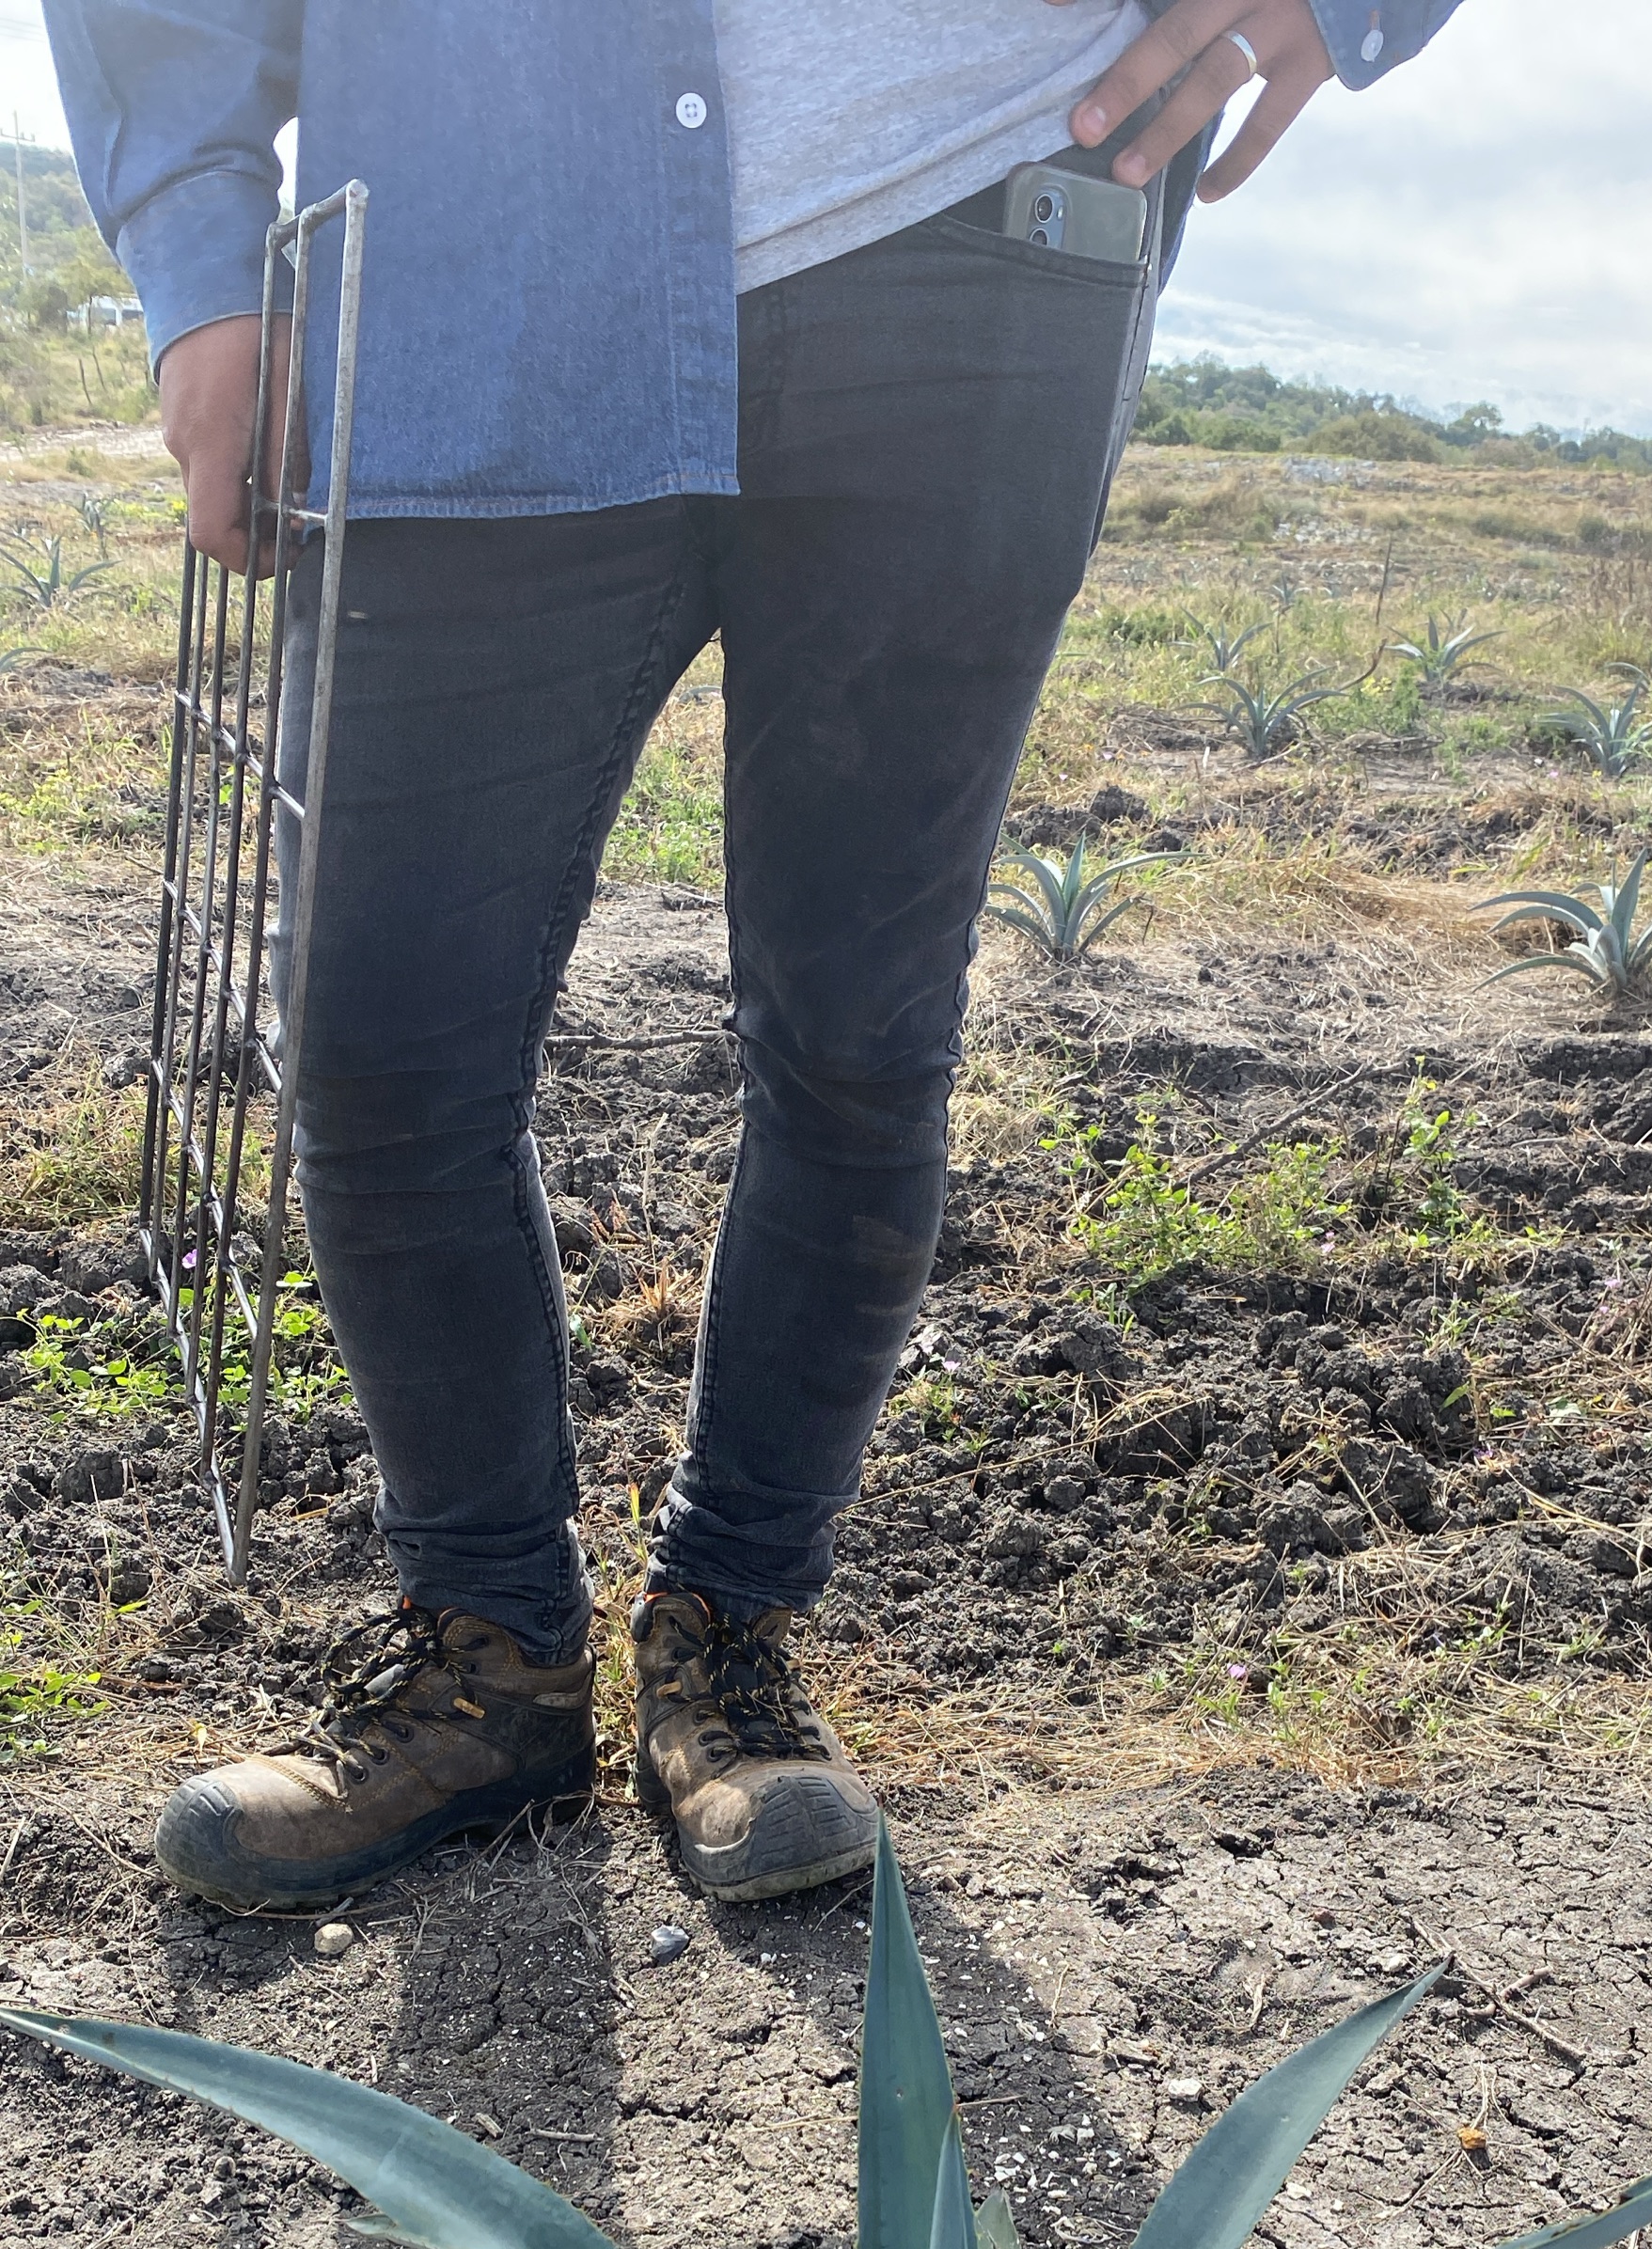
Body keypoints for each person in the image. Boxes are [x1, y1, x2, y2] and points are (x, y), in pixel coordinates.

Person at [47, 0, 1463, 1913]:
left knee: (858, 1035)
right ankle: (492, 1656)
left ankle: (728, 1640)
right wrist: (201, 260)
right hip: (474, 259)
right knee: (376, 1039)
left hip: (978, 243)